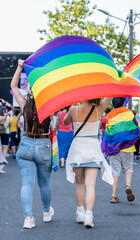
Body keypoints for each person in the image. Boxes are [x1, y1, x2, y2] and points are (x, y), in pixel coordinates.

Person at [11, 60, 54, 229]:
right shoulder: (50, 106)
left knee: (27, 183)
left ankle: (28, 219)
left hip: (26, 144)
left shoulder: (24, 104)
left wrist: (20, 67)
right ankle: (46, 213)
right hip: (44, 145)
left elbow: (14, 86)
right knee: (45, 183)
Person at [64, 98, 113, 228]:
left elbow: (65, 122)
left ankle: (80, 213)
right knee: (90, 185)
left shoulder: (73, 109)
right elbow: (110, 96)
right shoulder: (99, 108)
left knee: (79, 183)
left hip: (78, 150)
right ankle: (88, 216)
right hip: (93, 149)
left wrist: (74, 106)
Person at [102, 97, 139, 204]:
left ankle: (113, 195)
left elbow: (108, 132)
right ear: (124, 103)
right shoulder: (129, 113)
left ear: (113, 104)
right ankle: (128, 186)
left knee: (115, 171)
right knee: (128, 168)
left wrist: (106, 147)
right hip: (128, 146)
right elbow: (135, 127)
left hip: (114, 147)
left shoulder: (109, 115)